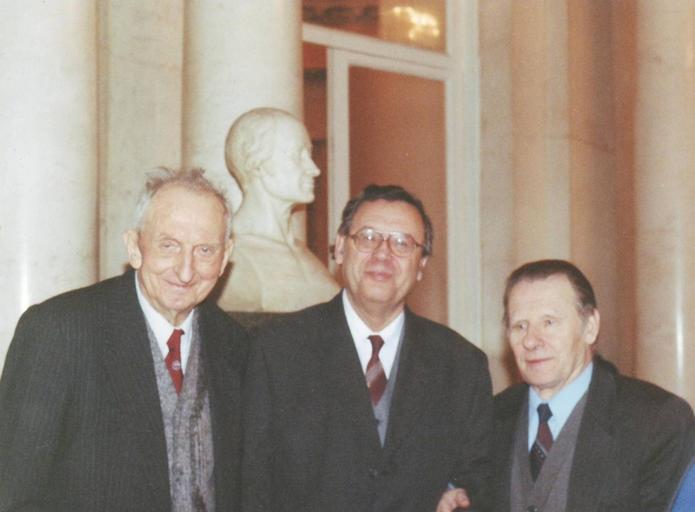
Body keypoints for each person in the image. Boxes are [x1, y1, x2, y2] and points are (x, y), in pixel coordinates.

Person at [0, 168, 249, 512]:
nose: (186, 271)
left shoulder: (238, 346)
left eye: (205, 250)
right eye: (169, 246)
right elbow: (12, 494)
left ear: (225, 257)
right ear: (134, 247)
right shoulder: (60, 331)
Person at [242, 184, 493, 512]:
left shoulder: (461, 365)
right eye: (368, 237)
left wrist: (456, 494)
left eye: (402, 243)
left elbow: (477, 479)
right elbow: (252, 483)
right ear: (340, 248)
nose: (383, 254)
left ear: (421, 265)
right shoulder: (277, 350)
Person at [441, 259, 695, 512]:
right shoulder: (489, 418)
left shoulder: (655, 421)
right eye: (520, 326)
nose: (531, 341)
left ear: (590, 327)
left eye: (549, 322)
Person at [221, 106, 339, 312]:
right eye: (297, 155)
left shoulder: (306, 256)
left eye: (309, 154)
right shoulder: (232, 257)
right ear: (256, 164)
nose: (314, 169)